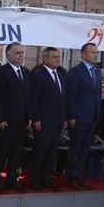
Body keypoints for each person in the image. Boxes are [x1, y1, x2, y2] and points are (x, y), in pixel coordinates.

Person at [0, 42, 31, 192]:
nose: (21, 56)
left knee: (17, 152)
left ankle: (12, 180)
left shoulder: (26, 73)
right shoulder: (2, 72)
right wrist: (0, 118)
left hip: (22, 120)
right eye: (18, 53)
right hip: (7, 120)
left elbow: (28, 98)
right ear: (8, 55)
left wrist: (29, 117)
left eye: (22, 53)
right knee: (2, 151)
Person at [65, 42, 103, 188]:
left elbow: (97, 94)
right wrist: (71, 115)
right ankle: (71, 177)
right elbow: (71, 96)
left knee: (85, 149)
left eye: (96, 52)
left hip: (92, 117)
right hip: (79, 117)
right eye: (92, 52)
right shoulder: (76, 72)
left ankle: (80, 175)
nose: (95, 55)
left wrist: (97, 113)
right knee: (75, 148)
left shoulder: (97, 72)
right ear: (83, 54)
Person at [29, 47, 66, 191]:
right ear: (45, 58)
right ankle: (35, 179)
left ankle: (47, 178)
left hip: (57, 121)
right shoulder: (38, 75)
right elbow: (34, 99)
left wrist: (63, 118)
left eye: (58, 56)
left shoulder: (61, 75)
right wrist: (36, 119)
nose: (57, 59)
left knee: (52, 152)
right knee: (41, 151)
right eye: (54, 57)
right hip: (43, 121)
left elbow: (62, 99)